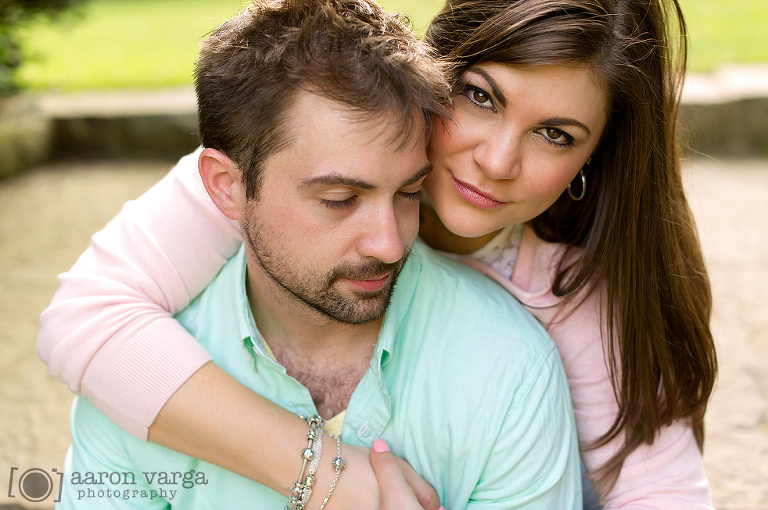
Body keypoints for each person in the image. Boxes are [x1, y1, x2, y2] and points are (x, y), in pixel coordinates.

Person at [39, 0, 718, 508]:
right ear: (432, 72)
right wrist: (330, 474)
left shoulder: (576, 293)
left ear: (593, 156)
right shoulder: (292, 162)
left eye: (555, 134)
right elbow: (85, 319)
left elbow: (663, 488)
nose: (496, 160)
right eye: (480, 97)